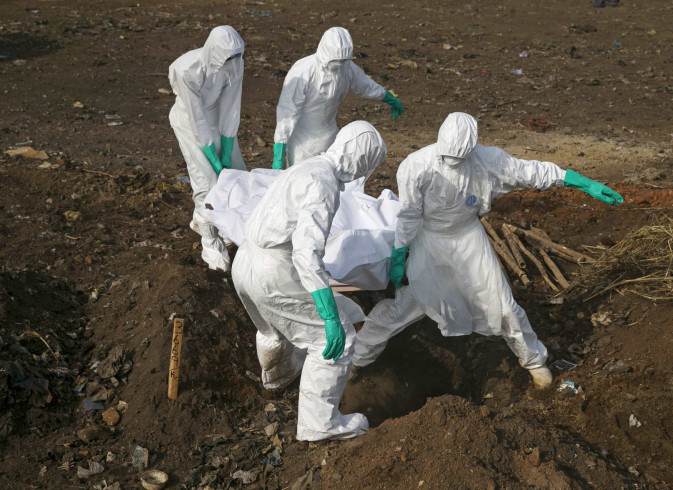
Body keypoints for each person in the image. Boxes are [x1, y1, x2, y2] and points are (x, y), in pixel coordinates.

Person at [352, 112, 623, 389]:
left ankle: (534, 363)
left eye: (459, 160)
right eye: (447, 158)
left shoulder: (488, 160)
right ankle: (357, 359)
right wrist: (400, 254)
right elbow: (409, 215)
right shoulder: (416, 166)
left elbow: (530, 171)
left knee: (504, 305)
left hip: (469, 239)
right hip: (430, 241)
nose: (452, 164)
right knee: (410, 304)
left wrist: (580, 182)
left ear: (471, 151)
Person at [232, 121, 387, 441]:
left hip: (245, 260)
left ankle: (276, 382)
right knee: (336, 338)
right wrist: (329, 315)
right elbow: (306, 253)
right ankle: (320, 423)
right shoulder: (324, 185)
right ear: (360, 161)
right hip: (274, 270)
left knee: (271, 329)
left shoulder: (307, 168)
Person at [168, 25, 246, 272]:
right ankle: (211, 244)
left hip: (215, 118)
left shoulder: (234, 64)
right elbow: (196, 117)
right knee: (207, 181)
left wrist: (228, 144)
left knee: (236, 175)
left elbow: (232, 105)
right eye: (227, 57)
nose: (232, 62)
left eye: (236, 57)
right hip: (189, 121)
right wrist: (212, 157)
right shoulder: (187, 69)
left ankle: (218, 223)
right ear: (214, 51)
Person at [271, 26, 403, 170]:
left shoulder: (346, 68)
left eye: (343, 60)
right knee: (301, 180)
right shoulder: (303, 71)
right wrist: (279, 151)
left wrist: (388, 98)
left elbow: (366, 86)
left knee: (330, 178)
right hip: (303, 143)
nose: (339, 64)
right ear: (325, 53)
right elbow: (288, 111)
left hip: (331, 138)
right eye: (336, 61)